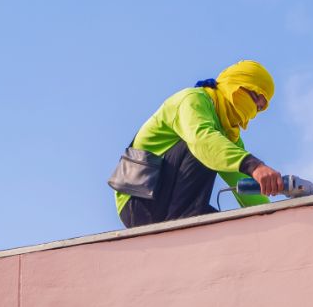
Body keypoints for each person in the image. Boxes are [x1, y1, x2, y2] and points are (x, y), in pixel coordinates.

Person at [111, 60, 283, 228]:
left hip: (169, 203)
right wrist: (255, 166)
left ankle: (188, 228)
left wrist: (270, 218)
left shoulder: (228, 133)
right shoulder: (192, 100)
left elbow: (240, 178)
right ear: (235, 84)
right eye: (254, 99)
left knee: (227, 228)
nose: (253, 111)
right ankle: (182, 224)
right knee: (204, 147)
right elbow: (203, 141)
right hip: (139, 200)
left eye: (259, 108)